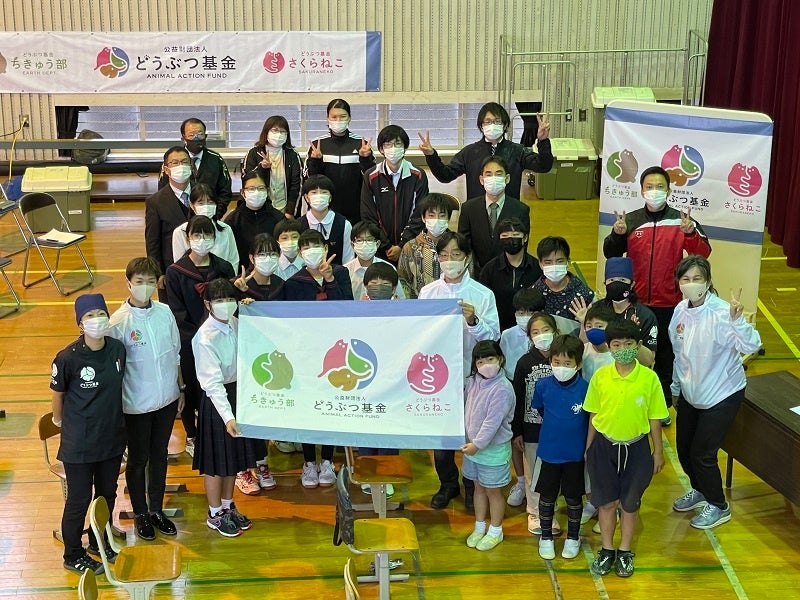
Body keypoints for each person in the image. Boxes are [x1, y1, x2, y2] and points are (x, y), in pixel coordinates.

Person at [603, 165, 712, 416]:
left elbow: (703, 254)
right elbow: (611, 254)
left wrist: (690, 234)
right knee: (632, 353)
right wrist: (617, 235)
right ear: (642, 190)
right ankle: (633, 403)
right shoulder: (630, 220)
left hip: (669, 304)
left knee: (665, 356)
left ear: (669, 190)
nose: (654, 191)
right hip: (635, 303)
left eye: (660, 187)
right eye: (649, 187)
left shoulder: (682, 221)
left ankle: (662, 406)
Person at [669, 256, 761, 529]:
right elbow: (678, 354)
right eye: (685, 279)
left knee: (702, 453)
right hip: (691, 392)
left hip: (722, 392)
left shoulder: (722, 312)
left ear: (708, 281)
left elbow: (752, 345)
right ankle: (700, 490)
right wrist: (676, 387)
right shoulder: (680, 311)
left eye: (697, 278)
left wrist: (737, 320)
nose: (691, 284)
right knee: (684, 449)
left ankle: (719, 505)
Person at [419, 231, 500, 511]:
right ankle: (447, 483)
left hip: (472, 377)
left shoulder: (482, 294)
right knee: (442, 435)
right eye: (444, 255)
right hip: (439, 377)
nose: (449, 260)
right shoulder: (428, 293)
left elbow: (494, 338)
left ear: (466, 258)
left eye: (455, 254)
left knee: (472, 432)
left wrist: (473, 320)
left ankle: (471, 485)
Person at [583, 319, 668, 578]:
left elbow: (655, 418)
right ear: (609, 347)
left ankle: (625, 551)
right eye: (617, 345)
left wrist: (658, 451)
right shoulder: (600, 377)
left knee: (630, 504)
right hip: (604, 447)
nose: (623, 349)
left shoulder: (649, 378)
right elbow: (593, 414)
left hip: (637, 450)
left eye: (629, 344)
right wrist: (589, 449)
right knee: (607, 503)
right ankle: (607, 549)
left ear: (638, 345)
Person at [51, 294, 126, 574]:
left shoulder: (117, 349)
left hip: (111, 438)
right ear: (80, 323)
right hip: (79, 444)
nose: (97, 320)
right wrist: (60, 422)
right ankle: (73, 554)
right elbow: (58, 395)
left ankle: (98, 542)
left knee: (106, 494)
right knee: (79, 500)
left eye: (101, 313)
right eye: (89, 316)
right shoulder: (67, 357)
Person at [108, 257, 181, 541]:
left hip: (167, 400)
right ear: (128, 283)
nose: (145, 286)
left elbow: (175, 352)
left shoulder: (164, 312)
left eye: (151, 281)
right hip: (136, 405)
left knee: (159, 455)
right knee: (138, 460)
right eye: (139, 282)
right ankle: (140, 513)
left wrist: (180, 388)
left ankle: (156, 510)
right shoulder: (118, 322)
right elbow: (114, 367)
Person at [284, 229, 353, 487]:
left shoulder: (340, 273)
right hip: (307, 353)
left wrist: (330, 279)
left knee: (332, 403)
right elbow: (287, 320)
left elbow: (347, 306)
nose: (311, 251)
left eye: (316, 245)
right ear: (300, 253)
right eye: (306, 247)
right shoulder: (293, 282)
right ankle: (308, 462)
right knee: (308, 406)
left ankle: (327, 460)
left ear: (326, 248)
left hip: (335, 350)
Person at [166, 215, 237, 459]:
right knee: (191, 386)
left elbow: (229, 302)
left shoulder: (224, 268)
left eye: (208, 235)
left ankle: (218, 427)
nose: (202, 239)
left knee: (217, 384)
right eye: (197, 235)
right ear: (188, 238)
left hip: (220, 336)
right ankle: (192, 434)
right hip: (189, 340)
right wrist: (200, 335)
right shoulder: (176, 272)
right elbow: (176, 311)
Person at [192, 278, 259, 537]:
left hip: (237, 393)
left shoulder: (236, 323)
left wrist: (252, 309)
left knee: (233, 460)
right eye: (219, 300)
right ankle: (214, 513)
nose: (226, 304)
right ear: (208, 304)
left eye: (230, 299)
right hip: (217, 402)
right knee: (215, 463)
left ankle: (229, 506)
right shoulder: (204, 337)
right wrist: (228, 417)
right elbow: (212, 384)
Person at [230, 233, 285, 494]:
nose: (268, 259)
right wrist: (237, 296)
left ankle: (262, 464)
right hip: (245, 359)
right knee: (245, 410)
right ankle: (242, 469)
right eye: (262, 254)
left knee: (265, 410)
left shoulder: (282, 285)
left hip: (273, 360)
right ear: (251, 258)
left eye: (273, 253)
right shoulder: (239, 286)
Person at [418, 101, 553, 201]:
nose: (492, 125)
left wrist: (543, 141)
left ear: (505, 125)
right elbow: (445, 175)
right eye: (487, 122)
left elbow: (544, 166)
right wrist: (431, 156)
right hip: (477, 212)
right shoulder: (470, 152)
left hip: (509, 212)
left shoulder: (517, 151)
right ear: (481, 126)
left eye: (497, 121)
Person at [532, 334, 589, 560]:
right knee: (547, 497)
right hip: (549, 453)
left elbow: (590, 420)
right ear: (550, 361)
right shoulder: (542, 386)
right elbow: (541, 410)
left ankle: (573, 537)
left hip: (575, 456)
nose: (561, 367)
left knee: (574, 498)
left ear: (578, 364)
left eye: (567, 363)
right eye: (557, 362)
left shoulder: (586, 388)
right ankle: (546, 537)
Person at [463, 340, 516, 552]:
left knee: (493, 492)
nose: (485, 365)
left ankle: (495, 530)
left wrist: (477, 444)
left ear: (500, 359)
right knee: (478, 488)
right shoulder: (473, 382)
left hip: (492, 451)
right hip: (472, 449)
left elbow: (492, 423)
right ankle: (479, 526)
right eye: (480, 361)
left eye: (490, 359)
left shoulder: (503, 388)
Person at [356, 262, 403, 495]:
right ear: (365, 286)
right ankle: (367, 471)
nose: (378, 285)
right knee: (366, 426)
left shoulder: (404, 312)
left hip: (393, 380)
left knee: (390, 428)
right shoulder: (356, 311)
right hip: (365, 380)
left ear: (394, 288)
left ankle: (388, 474)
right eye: (373, 282)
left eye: (385, 282)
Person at [511, 312, 561, 535]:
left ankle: (551, 511)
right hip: (531, 429)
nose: (542, 335)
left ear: (555, 331)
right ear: (530, 337)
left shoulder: (562, 360)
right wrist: (517, 431)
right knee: (533, 472)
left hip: (557, 430)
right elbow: (518, 398)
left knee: (554, 472)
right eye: (535, 332)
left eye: (546, 330)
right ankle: (534, 512)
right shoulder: (524, 363)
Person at [498, 287, 545, 508]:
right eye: (521, 312)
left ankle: (541, 483)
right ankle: (520, 481)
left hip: (541, 391)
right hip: (515, 391)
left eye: (531, 312)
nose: (525, 316)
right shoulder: (507, 336)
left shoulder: (547, 335)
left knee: (539, 441)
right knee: (516, 439)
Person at [570, 256, 656, 370]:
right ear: (605, 283)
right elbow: (583, 348)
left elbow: (649, 360)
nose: (616, 284)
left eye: (622, 280)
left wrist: (632, 336)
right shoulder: (596, 308)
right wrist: (584, 323)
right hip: (596, 370)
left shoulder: (644, 315)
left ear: (632, 284)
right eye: (611, 280)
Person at [360, 124, 428, 262]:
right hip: (381, 249)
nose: (393, 148)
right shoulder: (371, 176)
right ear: (381, 149)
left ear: (405, 147)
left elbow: (420, 213)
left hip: (411, 246)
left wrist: (403, 245)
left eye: (398, 144)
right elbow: (368, 215)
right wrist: (386, 246)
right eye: (388, 144)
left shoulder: (418, 175)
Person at [305, 98, 376, 225]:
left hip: (356, 210)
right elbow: (310, 180)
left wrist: (365, 159)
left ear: (349, 118)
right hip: (325, 210)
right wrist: (316, 160)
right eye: (334, 117)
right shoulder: (317, 145)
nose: (338, 120)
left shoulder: (362, 144)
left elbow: (372, 178)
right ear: (327, 118)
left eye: (343, 116)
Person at [458, 156, 531, 271]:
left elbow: (521, 247)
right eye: (488, 174)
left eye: (498, 174)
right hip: (478, 272)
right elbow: (464, 245)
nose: (493, 178)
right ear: (481, 180)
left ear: (507, 178)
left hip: (507, 271)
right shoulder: (468, 208)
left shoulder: (520, 210)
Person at [157, 118, 232, 219]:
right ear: (183, 138)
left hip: (209, 216)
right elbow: (163, 192)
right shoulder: (172, 160)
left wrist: (215, 214)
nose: (196, 138)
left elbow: (225, 191)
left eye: (200, 134)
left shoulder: (216, 159)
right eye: (191, 135)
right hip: (177, 218)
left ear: (205, 136)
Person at [145, 146, 193, 302]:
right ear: (166, 169)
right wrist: (158, 273)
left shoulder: (203, 194)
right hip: (171, 270)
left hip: (203, 270)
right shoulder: (155, 202)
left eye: (184, 162)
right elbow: (152, 242)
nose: (181, 166)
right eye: (175, 163)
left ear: (191, 166)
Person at [479, 216, 543, 330]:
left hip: (533, 329)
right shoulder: (489, 270)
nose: (510, 239)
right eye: (505, 236)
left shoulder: (538, 268)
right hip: (499, 329)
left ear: (525, 238)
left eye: (515, 235)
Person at [397, 193, 459, 298]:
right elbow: (403, 280)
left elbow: (468, 276)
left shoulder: (459, 246)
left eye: (442, 215)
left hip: (451, 303)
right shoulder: (410, 247)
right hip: (420, 304)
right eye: (431, 215)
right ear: (423, 218)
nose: (436, 220)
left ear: (448, 219)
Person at [241, 115, 302, 218]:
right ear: (266, 132)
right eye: (275, 130)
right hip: (261, 210)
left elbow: (297, 186)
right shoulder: (253, 153)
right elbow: (247, 180)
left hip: (284, 210)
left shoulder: (292, 155)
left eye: (283, 131)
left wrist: (290, 212)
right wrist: (262, 167)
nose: (279, 134)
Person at [223, 171, 287, 270]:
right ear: (243, 192)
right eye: (251, 189)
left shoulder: (278, 218)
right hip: (242, 274)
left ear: (267, 191)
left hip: (274, 272)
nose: (256, 192)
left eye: (261, 188)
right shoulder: (232, 221)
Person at [532, 236, 594, 334]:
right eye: (548, 262)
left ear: (568, 262)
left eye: (560, 261)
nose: (554, 266)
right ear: (540, 264)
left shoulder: (585, 294)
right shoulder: (534, 293)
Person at [172, 183, 239, 272]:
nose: (206, 207)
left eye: (210, 202)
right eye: (201, 203)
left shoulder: (226, 229)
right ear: (192, 205)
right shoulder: (180, 232)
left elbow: (233, 260)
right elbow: (178, 265)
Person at [298, 174, 354, 266]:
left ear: (330, 197)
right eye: (314, 192)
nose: (319, 196)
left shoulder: (344, 224)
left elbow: (348, 260)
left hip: (336, 273)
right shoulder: (298, 225)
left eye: (324, 192)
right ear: (307, 197)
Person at [344, 221, 405, 300]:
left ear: (377, 244)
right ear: (352, 245)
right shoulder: (345, 271)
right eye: (359, 240)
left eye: (369, 240)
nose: (365, 244)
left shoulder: (389, 268)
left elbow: (400, 299)